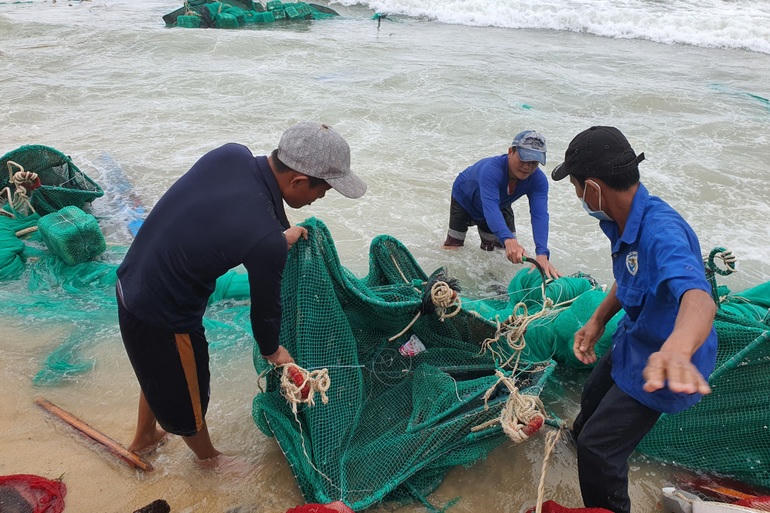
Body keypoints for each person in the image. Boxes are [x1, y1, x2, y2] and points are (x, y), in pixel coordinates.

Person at [116, 122, 366, 469]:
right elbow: (265, 310)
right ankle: (209, 461)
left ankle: (144, 437)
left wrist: (277, 238)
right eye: (321, 191)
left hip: (131, 281)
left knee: (160, 370)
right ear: (298, 181)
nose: (319, 199)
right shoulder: (263, 239)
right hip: (163, 316)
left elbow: (226, 214)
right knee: (187, 393)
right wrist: (273, 351)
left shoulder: (230, 155)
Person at [551, 126, 717, 513]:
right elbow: (630, 272)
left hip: (664, 359)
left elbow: (699, 299)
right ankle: (580, 447)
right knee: (588, 408)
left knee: (598, 449)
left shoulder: (662, 232)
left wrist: (676, 349)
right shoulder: (623, 220)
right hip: (635, 335)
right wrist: (596, 320)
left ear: (593, 188)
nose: (579, 197)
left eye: (577, 188)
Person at [442, 130, 560, 279]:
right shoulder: (492, 169)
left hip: (500, 204)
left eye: (534, 162)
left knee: (496, 253)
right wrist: (508, 238)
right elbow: (490, 207)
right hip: (465, 199)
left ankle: (492, 285)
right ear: (511, 151)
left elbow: (540, 215)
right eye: (524, 159)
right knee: (454, 247)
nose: (527, 167)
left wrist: (542, 254)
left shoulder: (538, 180)